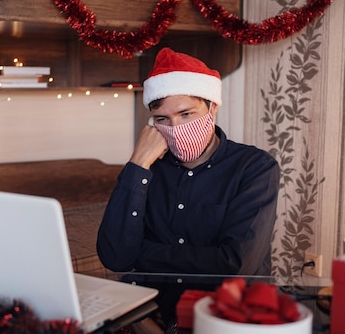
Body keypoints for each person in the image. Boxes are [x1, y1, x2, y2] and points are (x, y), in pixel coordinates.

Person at [97, 48, 280, 278]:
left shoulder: (255, 167)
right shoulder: (147, 169)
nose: (175, 128)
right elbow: (115, 257)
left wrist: (142, 254)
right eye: (162, 119)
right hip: (159, 307)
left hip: (224, 308)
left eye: (186, 114)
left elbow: (234, 264)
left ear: (212, 107)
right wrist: (138, 163)